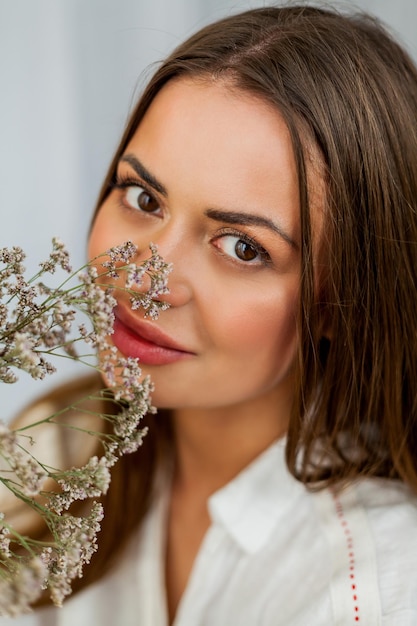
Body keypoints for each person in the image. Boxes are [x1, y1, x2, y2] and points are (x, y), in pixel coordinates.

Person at [2, 4, 417, 624]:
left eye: (243, 247)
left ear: (342, 301)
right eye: (142, 197)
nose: (144, 279)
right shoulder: (53, 445)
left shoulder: (374, 590)